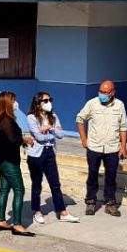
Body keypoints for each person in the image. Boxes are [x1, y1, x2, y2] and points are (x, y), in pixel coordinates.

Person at [76, 80, 127, 216]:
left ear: (112, 92)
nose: (102, 94)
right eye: (101, 91)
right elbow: (80, 119)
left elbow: (123, 127)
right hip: (94, 146)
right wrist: (84, 139)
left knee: (111, 176)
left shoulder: (119, 105)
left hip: (112, 147)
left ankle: (110, 203)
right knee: (92, 174)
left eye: (105, 92)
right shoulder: (92, 103)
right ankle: (91, 202)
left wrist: (123, 147)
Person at [26, 92, 80, 224]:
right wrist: (49, 132)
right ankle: (36, 211)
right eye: (45, 100)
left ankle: (62, 212)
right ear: (38, 103)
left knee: (55, 184)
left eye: (50, 100)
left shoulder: (53, 116)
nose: (48, 102)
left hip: (50, 152)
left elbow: (61, 134)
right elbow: (39, 138)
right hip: (37, 154)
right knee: (37, 184)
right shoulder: (31, 117)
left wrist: (48, 128)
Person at [0, 91, 36, 236]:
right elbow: (13, 140)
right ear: (7, 103)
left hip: (1, 158)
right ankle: (17, 224)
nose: (16, 103)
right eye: (13, 100)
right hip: (9, 160)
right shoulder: (6, 120)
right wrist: (25, 140)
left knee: (4, 189)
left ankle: (2, 221)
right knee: (19, 190)